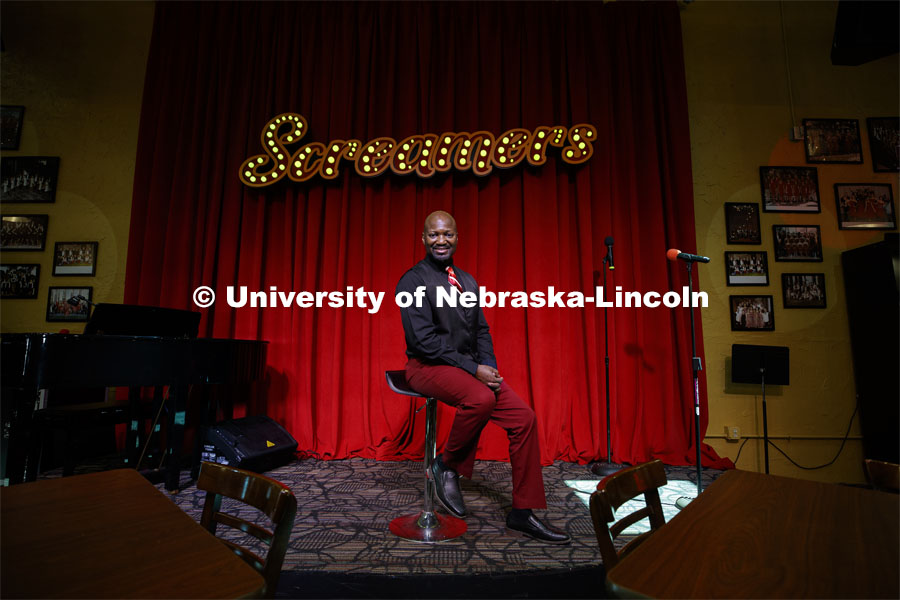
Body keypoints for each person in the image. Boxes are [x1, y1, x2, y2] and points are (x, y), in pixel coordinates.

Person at [395, 210, 570, 545]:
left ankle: (523, 512)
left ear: (457, 238)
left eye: (447, 234)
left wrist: (487, 367)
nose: (441, 240)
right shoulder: (412, 282)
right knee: (480, 398)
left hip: (465, 367)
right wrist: (473, 370)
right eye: (434, 235)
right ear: (423, 239)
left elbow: (482, 331)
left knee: (524, 418)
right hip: (426, 367)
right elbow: (423, 342)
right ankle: (445, 465)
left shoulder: (467, 281)